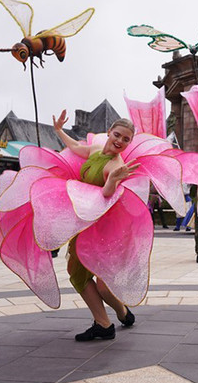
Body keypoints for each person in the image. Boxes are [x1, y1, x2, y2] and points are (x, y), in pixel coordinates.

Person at [53, 110, 139, 341]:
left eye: (126, 139)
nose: (120, 141)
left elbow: (106, 195)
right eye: (117, 135)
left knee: (103, 285)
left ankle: (121, 312)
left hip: (105, 229)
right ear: (110, 132)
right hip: (84, 224)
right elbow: (75, 148)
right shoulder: (95, 149)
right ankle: (103, 323)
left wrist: (111, 180)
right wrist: (59, 130)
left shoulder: (116, 165)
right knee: (76, 274)